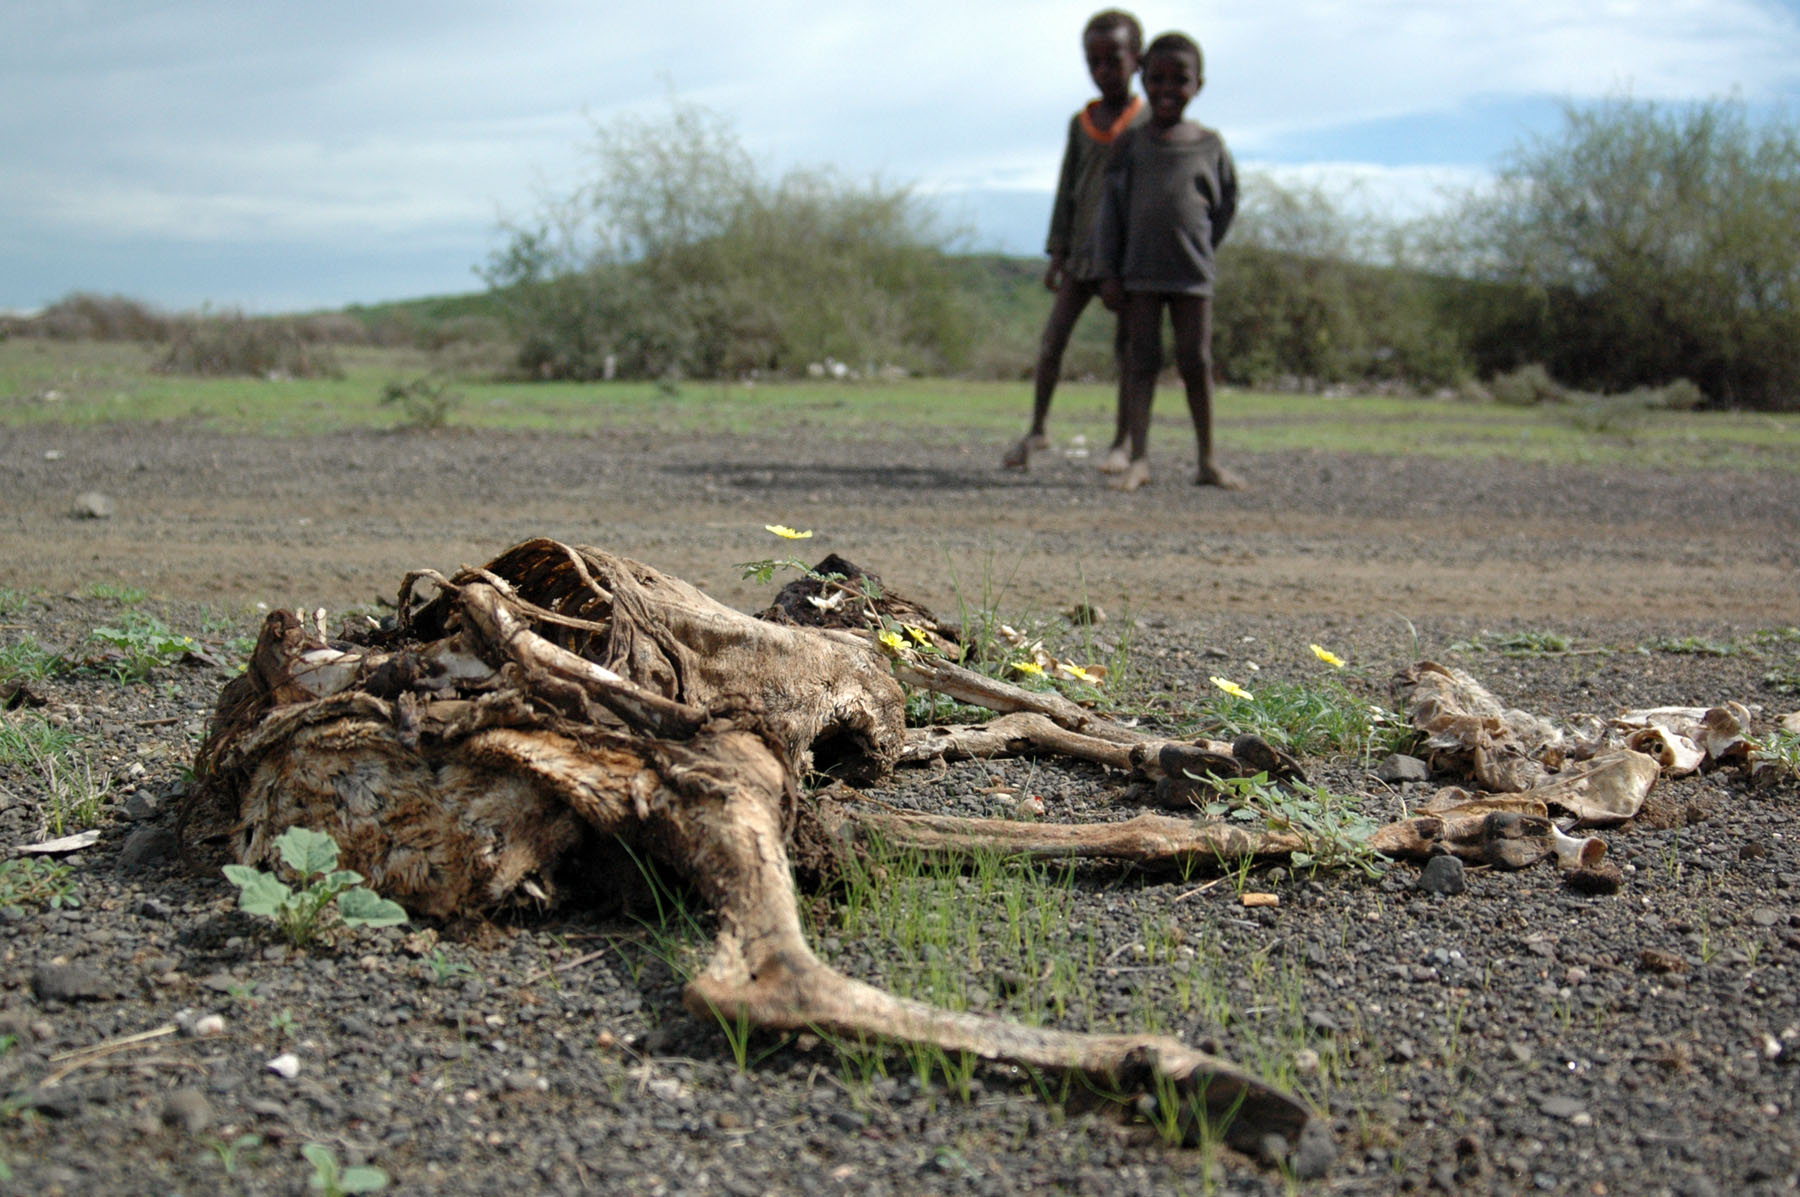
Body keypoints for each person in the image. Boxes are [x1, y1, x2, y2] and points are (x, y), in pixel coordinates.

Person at [1094, 31, 1240, 492]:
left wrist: (1199, 248)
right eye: (1156, 78)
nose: (1167, 89)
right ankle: (1139, 459)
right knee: (1141, 362)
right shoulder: (1131, 145)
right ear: (1143, 77)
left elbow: (1224, 207)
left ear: (1199, 84)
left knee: (1196, 360)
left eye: (1180, 79)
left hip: (1192, 274)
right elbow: (1110, 214)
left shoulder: (1210, 146)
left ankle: (1208, 461)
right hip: (1140, 273)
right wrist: (1109, 272)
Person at [1003, 9, 1148, 472]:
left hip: (1126, 261)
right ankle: (1038, 429)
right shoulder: (1080, 123)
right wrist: (1057, 252)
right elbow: (1067, 188)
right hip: (1082, 254)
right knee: (1052, 343)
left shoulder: (1147, 124)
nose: (1103, 71)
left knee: (1128, 351)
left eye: (1113, 60)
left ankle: (1123, 442)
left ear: (1137, 60)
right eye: (1094, 61)